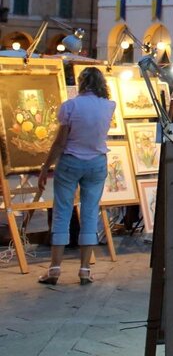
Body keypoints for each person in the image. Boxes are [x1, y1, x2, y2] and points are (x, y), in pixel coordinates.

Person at [37, 66, 115, 286]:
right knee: (90, 214)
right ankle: (84, 270)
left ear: (81, 82)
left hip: (71, 161)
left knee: (62, 212)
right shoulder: (109, 106)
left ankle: (54, 269)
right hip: (97, 162)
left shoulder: (70, 106)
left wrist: (45, 167)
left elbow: (60, 142)